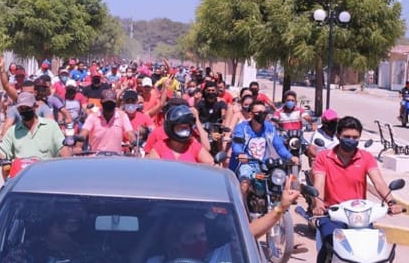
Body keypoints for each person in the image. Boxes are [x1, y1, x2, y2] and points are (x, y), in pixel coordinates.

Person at [131, 176, 301, 263]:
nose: (199, 242)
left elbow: (249, 232)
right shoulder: (156, 261)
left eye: (202, 236)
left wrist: (281, 206)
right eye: (192, 237)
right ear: (175, 241)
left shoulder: (220, 256)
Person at [312, 116, 404, 263]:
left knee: (374, 250)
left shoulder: (366, 157)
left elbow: (379, 183)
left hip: (360, 216)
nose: (351, 140)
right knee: (328, 246)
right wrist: (318, 205)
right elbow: (319, 184)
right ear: (338, 136)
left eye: (355, 137)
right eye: (347, 136)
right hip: (333, 215)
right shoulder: (324, 157)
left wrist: (391, 202)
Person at [229, 100, 299, 198]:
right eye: (258, 113)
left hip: (263, 164)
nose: (262, 115)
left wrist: (290, 157)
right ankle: (242, 209)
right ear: (250, 114)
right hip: (246, 165)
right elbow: (237, 144)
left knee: (278, 181)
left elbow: (279, 146)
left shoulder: (269, 128)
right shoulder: (242, 127)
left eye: (264, 112)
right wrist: (240, 154)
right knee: (244, 184)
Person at [0, 92, 66, 162]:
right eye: (21, 109)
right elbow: (3, 151)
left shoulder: (51, 126)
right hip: (22, 174)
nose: (24, 111)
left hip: (46, 173)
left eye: (28, 108)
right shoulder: (12, 132)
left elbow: (62, 149)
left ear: (35, 106)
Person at [66, 89, 135, 156]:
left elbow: (130, 134)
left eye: (111, 104)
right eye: (106, 103)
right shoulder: (93, 116)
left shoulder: (122, 116)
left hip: (116, 158)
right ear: (101, 103)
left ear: (115, 103)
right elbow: (83, 134)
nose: (109, 106)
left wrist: (135, 144)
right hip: (96, 157)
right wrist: (78, 146)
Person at [146, 105, 214, 164]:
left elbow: (211, 165)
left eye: (186, 127)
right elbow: (152, 169)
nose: (184, 130)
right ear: (170, 128)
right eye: (180, 127)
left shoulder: (193, 145)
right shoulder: (160, 146)